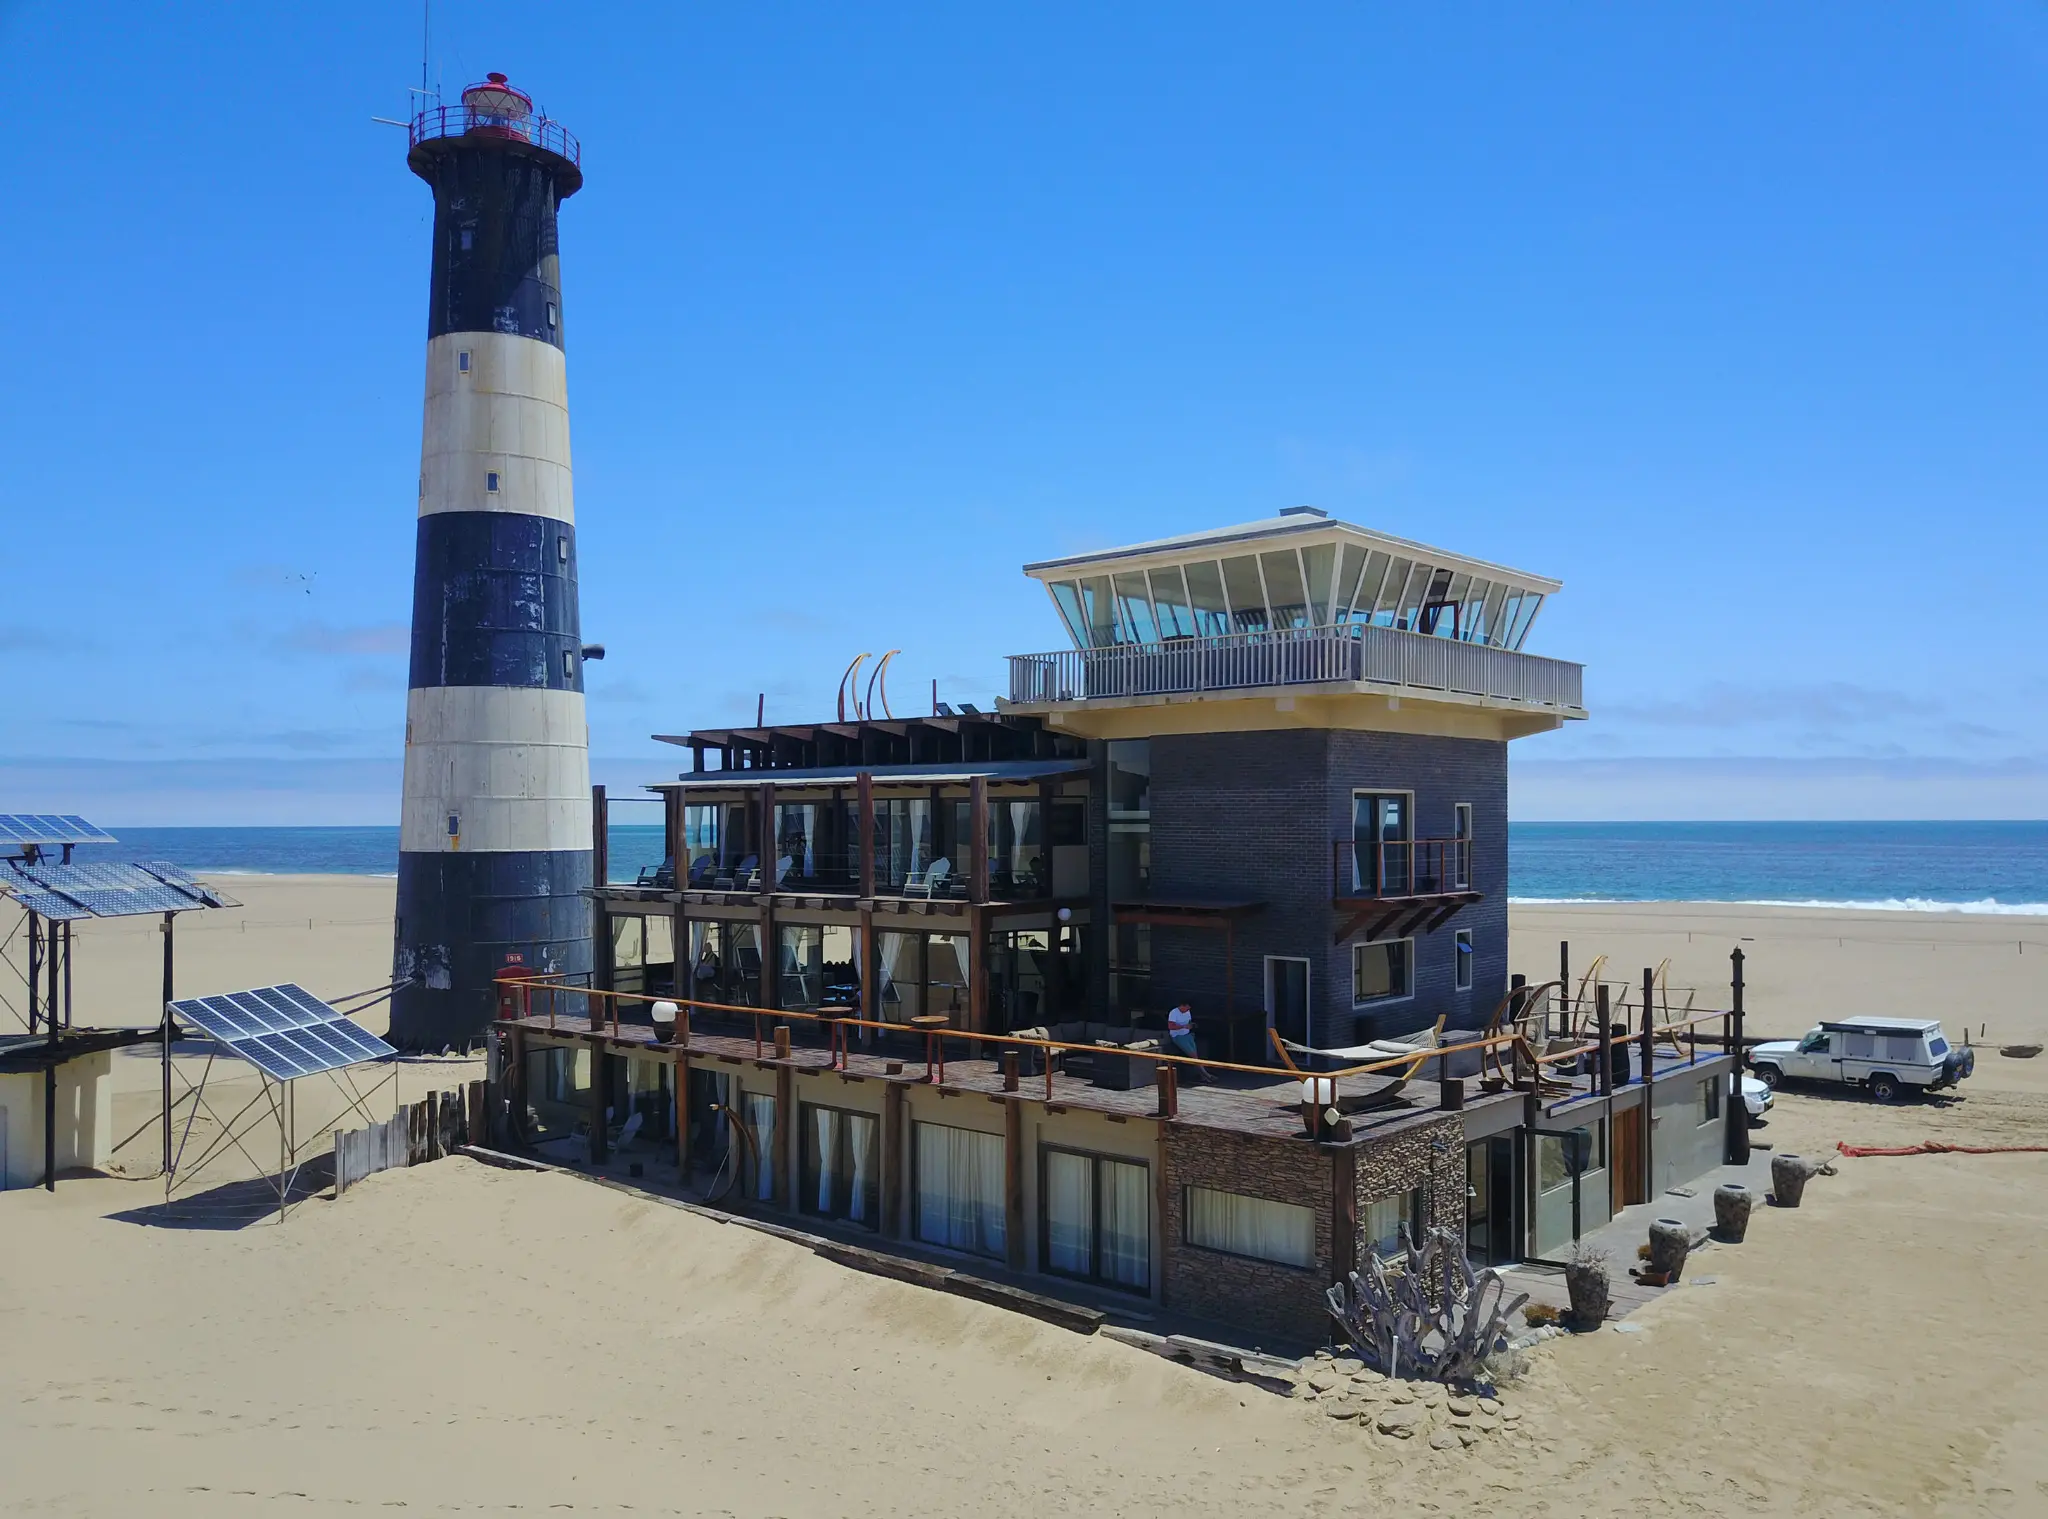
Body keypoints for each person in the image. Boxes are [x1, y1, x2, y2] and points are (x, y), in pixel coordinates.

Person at [1166, 999, 1206, 1083]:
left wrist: (1191, 1026)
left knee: (1195, 1055)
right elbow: (1171, 1026)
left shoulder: (1187, 1012)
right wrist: (1183, 1026)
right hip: (1178, 1036)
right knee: (1193, 1055)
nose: (1188, 1010)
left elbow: (1189, 1022)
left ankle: (1203, 1075)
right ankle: (1205, 1074)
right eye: (1186, 1008)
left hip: (1187, 1035)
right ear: (1181, 1006)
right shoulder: (1174, 1013)